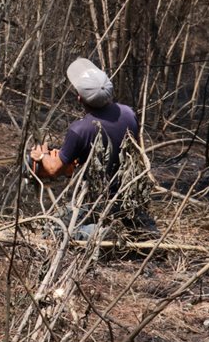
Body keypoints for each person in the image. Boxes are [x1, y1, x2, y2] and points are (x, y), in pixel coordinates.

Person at [29, 58, 153, 235]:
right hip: (128, 196)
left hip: (96, 201)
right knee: (132, 222)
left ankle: (96, 233)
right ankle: (139, 227)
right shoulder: (128, 113)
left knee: (53, 228)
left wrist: (41, 156)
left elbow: (53, 169)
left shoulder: (80, 130)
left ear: (79, 98)